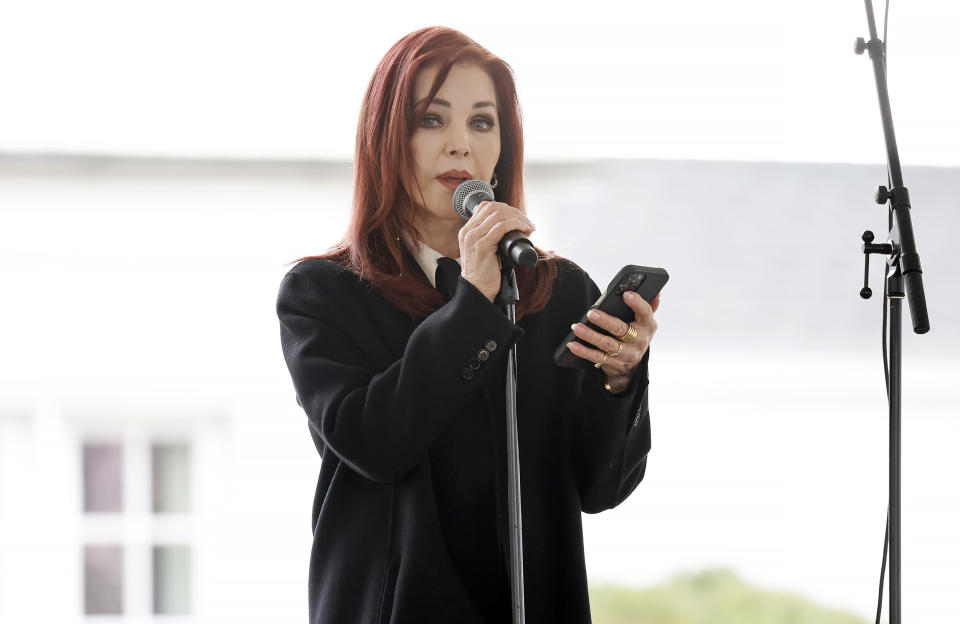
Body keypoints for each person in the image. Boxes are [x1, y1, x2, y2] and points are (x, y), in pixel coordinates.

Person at [276, 26, 660, 624]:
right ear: (386, 139)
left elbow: (600, 488)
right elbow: (374, 443)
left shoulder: (557, 292)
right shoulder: (323, 293)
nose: (461, 145)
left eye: (482, 122)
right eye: (432, 121)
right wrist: (474, 304)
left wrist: (619, 381)